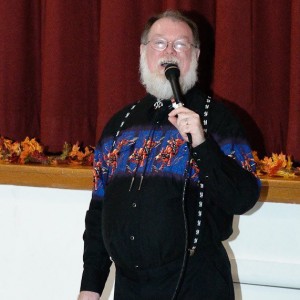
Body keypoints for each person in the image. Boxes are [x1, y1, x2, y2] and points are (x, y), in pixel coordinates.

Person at [78, 10, 260, 300]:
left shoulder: (219, 120)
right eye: (160, 43)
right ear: (143, 52)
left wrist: (202, 143)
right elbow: (99, 210)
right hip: (131, 288)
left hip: (195, 285)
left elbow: (243, 197)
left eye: (181, 45)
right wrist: (90, 286)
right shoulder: (120, 125)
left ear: (195, 56)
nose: (170, 53)